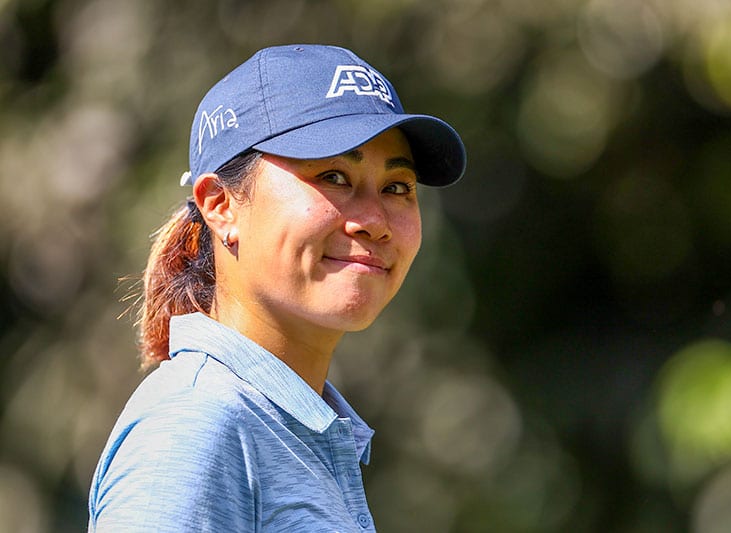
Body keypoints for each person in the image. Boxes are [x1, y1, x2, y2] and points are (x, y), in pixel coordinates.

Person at [87, 44, 466, 532]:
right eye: (334, 176)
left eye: (397, 187)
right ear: (221, 205)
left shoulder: (287, 426)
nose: (374, 220)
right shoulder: (195, 426)